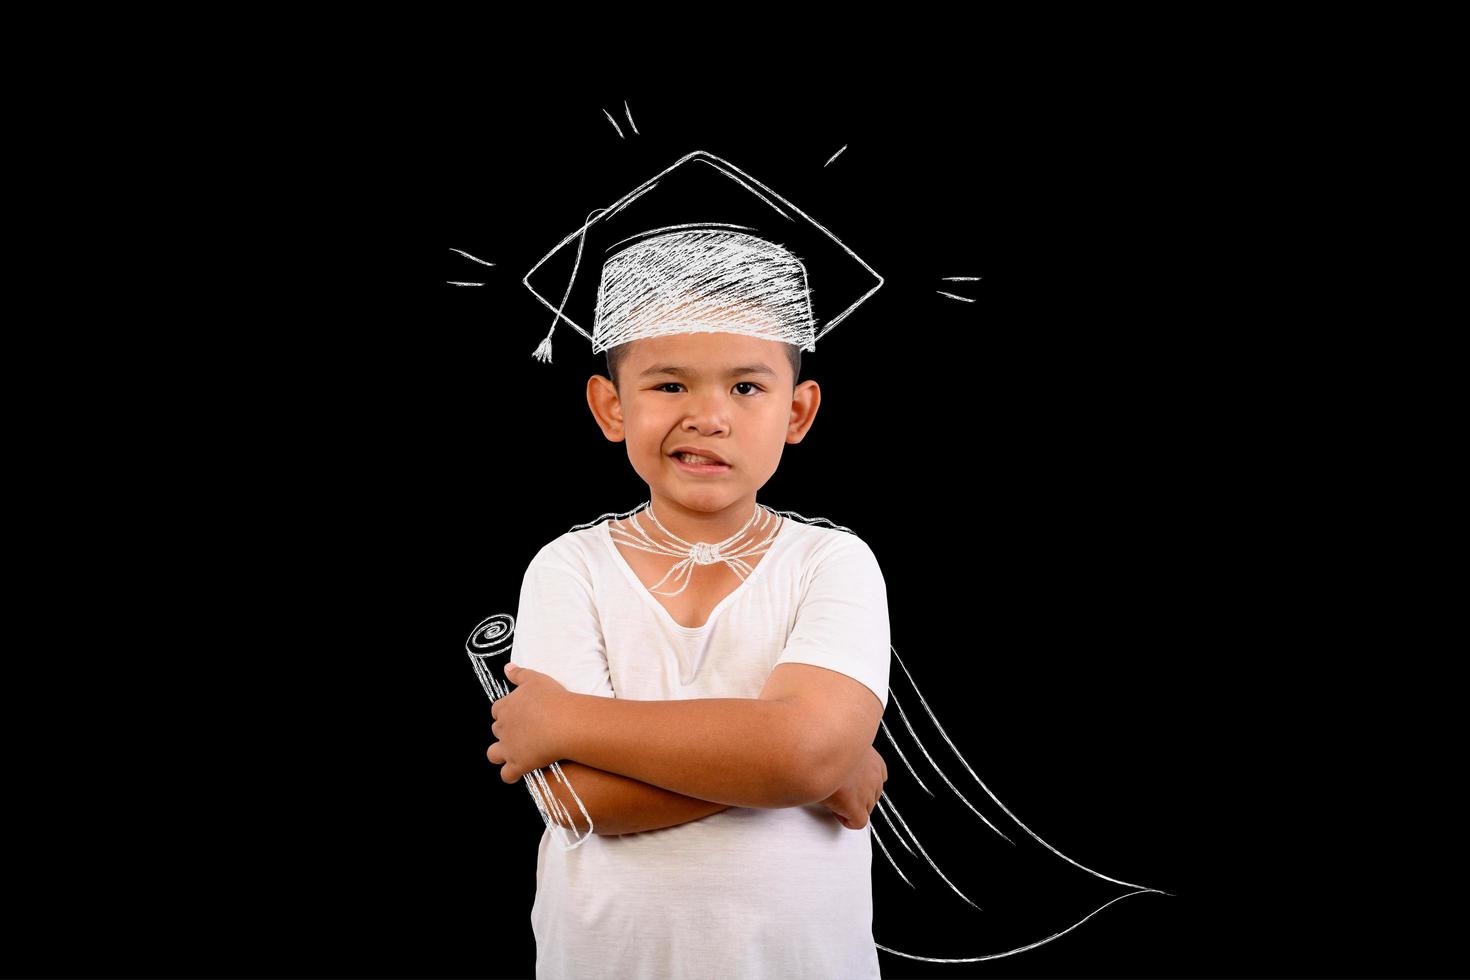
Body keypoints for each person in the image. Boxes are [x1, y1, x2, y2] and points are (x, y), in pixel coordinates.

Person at [490, 150, 893, 979]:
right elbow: (577, 800)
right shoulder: (568, 569)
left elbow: (806, 753)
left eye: (746, 388)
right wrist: (805, 765)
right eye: (668, 384)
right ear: (612, 407)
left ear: (798, 410)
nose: (707, 417)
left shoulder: (834, 564)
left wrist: (569, 724)